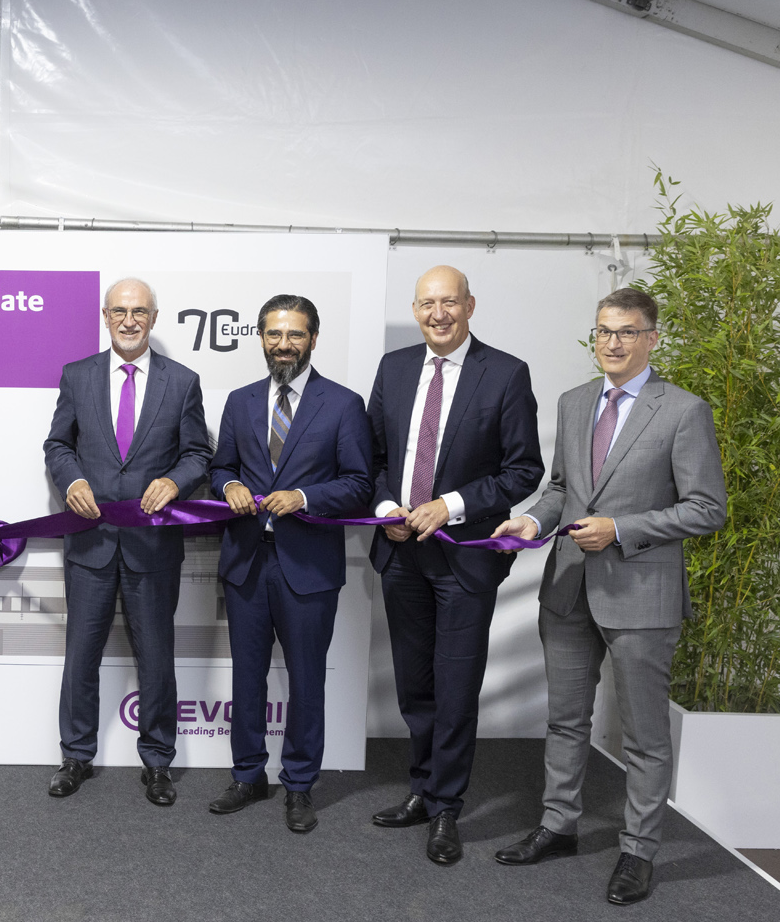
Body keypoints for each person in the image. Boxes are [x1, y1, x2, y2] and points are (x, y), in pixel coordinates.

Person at [490, 287, 726, 905]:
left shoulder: (683, 411)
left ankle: (638, 851)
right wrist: (530, 522)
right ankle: (558, 826)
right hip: (567, 589)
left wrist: (620, 529)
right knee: (565, 719)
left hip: (641, 596)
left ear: (652, 338)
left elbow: (707, 508)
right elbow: (561, 489)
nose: (612, 343)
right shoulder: (574, 403)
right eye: (603, 331)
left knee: (644, 735)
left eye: (626, 332)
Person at [366, 266, 544, 864]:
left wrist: (451, 504)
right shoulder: (394, 369)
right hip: (400, 551)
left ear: (470, 305)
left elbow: (524, 470)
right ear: (416, 310)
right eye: (426, 304)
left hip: (464, 557)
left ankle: (447, 807)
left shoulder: (506, 373)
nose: (437, 314)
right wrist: (386, 508)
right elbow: (373, 458)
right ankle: (421, 790)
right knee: (415, 684)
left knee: (456, 685)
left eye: (448, 302)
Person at [42, 278, 212, 805]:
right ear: (105, 316)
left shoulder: (182, 382)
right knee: (81, 656)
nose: (129, 320)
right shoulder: (77, 375)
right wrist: (72, 480)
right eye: (119, 311)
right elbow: (57, 445)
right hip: (89, 542)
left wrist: (175, 482)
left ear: (154, 318)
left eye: (139, 311)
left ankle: (158, 761)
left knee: (156, 658)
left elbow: (198, 454)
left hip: (152, 547)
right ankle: (76, 756)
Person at [209, 294, 374, 833]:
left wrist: (304, 497)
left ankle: (299, 785)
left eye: (295, 334)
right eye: (274, 334)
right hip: (246, 562)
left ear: (313, 339)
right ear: (261, 338)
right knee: (247, 677)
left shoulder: (343, 404)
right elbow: (220, 467)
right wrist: (229, 486)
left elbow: (359, 483)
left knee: (306, 681)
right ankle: (247, 775)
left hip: (309, 566)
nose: (284, 344)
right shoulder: (239, 401)